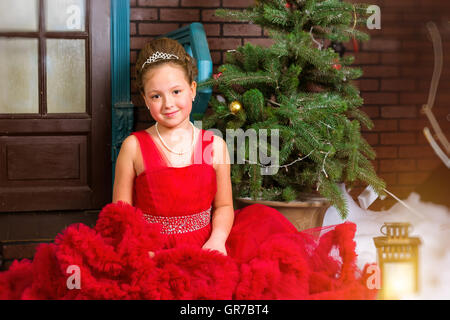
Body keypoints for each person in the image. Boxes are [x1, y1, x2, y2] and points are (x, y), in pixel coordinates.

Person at [0, 38, 377, 300]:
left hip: (206, 242)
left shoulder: (214, 146)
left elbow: (225, 207)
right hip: (150, 250)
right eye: (156, 95)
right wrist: (138, 253)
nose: (168, 103)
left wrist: (216, 240)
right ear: (146, 100)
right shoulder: (134, 147)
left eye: (177, 92)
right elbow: (120, 217)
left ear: (193, 90)